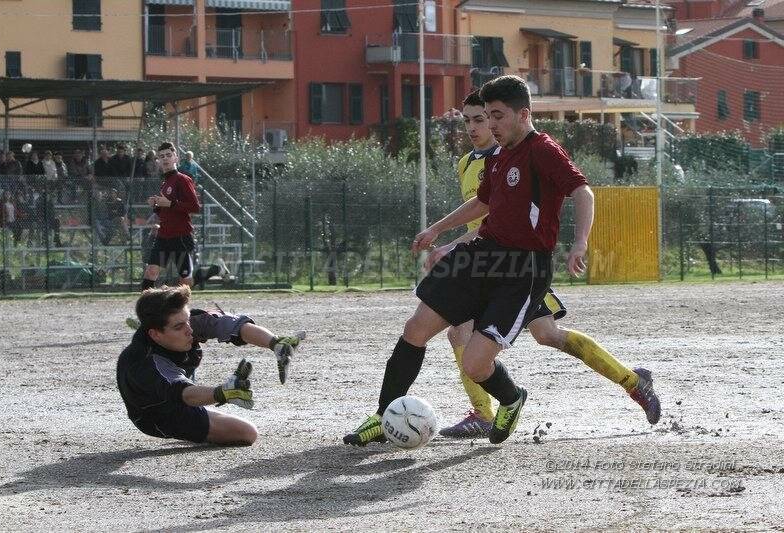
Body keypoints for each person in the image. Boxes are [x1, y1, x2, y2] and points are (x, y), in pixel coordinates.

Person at [343, 76, 660, 447]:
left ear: (523, 115)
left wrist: (580, 243)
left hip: (521, 270)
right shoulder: (498, 155)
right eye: (480, 118)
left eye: (495, 116)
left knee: (480, 362)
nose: (488, 125)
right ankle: (384, 417)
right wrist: (436, 231)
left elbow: (582, 190)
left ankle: (511, 399)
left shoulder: (543, 149)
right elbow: (483, 204)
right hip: (481, 255)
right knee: (415, 329)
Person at [438, 91, 661, 438]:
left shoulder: (521, 153)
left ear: (510, 116)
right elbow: (481, 216)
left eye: (482, 118)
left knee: (545, 335)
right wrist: (445, 236)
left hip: (516, 267)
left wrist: (451, 245)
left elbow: (508, 216)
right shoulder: (469, 163)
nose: (475, 126)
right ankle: (483, 412)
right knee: (467, 333)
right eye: (467, 120)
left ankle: (632, 381)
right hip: (485, 264)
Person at [117, 285, 306, 445]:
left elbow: (233, 326)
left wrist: (275, 343)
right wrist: (222, 392)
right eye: (178, 327)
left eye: (187, 320)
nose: (190, 329)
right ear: (155, 335)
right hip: (160, 415)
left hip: (185, 393)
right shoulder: (144, 363)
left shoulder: (186, 323)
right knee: (248, 433)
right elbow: (182, 394)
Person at [140, 141, 200, 290]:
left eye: (168, 155)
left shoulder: (182, 179)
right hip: (163, 235)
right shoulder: (165, 183)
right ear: (158, 161)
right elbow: (165, 211)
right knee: (151, 271)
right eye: (161, 156)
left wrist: (170, 203)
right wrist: (156, 205)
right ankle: (146, 309)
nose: (165, 159)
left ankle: (183, 310)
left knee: (185, 279)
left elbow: (195, 207)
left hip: (180, 236)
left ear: (176, 158)